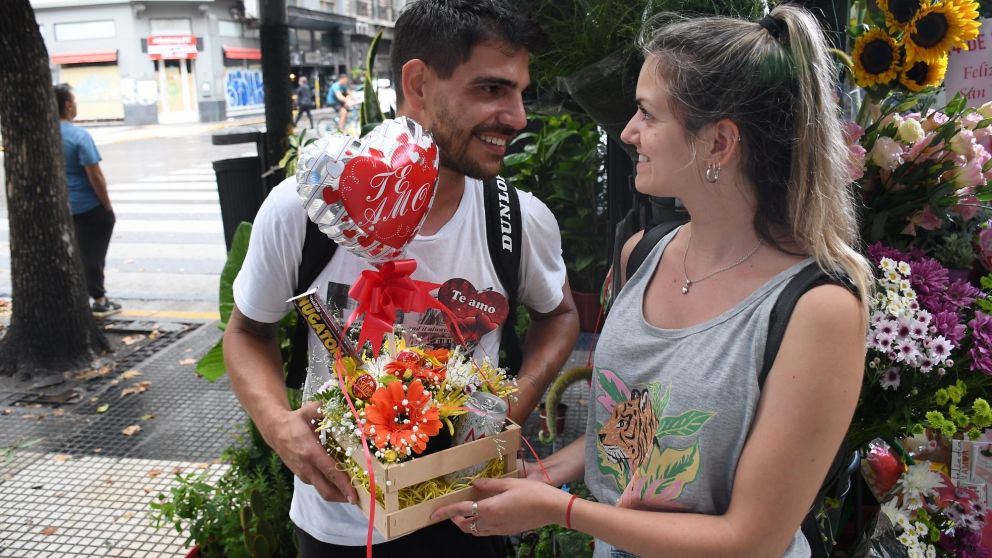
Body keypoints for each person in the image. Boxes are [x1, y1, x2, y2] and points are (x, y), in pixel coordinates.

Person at [433, 6, 873, 557]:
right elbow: (633, 433)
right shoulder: (644, 253)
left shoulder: (817, 307)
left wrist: (558, 509)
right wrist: (539, 474)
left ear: (719, 142)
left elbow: (752, 538)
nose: (628, 132)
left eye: (647, 113)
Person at [223, 1, 579, 557]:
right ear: (417, 84)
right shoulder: (305, 210)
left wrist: (511, 405)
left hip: (473, 517)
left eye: (520, 93)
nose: (516, 117)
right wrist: (276, 424)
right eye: (491, 89)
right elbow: (247, 331)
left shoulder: (516, 220)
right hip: (338, 524)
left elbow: (559, 315)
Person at [55, 83, 121, 316]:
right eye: (74, 101)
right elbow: (95, 175)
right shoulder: (78, 136)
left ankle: (74, 298)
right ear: (68, 105)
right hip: (87, 206)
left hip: (60, 207)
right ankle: (99, 299)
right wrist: (107, 205)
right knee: (92, 254)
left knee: (73, 253)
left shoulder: (44, 135)